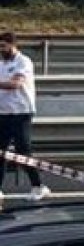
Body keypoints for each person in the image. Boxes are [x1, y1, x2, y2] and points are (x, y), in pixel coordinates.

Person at [0, 32, 46, 199]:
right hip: (3, 113)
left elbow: (16, 84)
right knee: (1, 152)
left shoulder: (23, 61)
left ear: (13, 45)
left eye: (4, 46)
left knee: (22, 152)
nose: (1, 49)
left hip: (21, 112)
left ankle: (38, 185)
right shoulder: (1, 64)